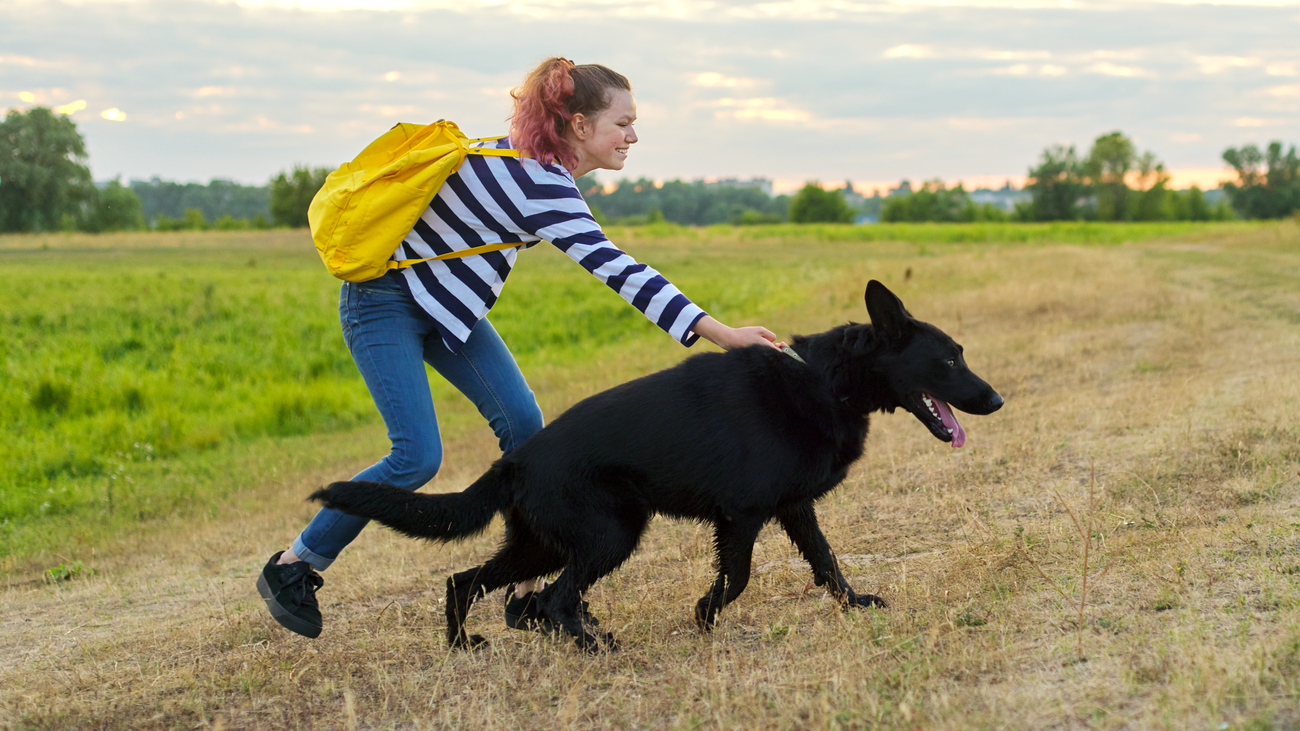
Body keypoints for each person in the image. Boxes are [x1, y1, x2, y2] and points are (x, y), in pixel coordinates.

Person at [257, 57, 781, 639]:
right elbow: (620, 270)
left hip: (451, 311)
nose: (634, 136)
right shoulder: (540, 183)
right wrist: (722, 334)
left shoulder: (523, 157)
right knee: (416, 456)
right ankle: (294, 566)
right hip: (382, 303)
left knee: (529, 434)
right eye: (623, 123)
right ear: (579, 125)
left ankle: (527, 592)